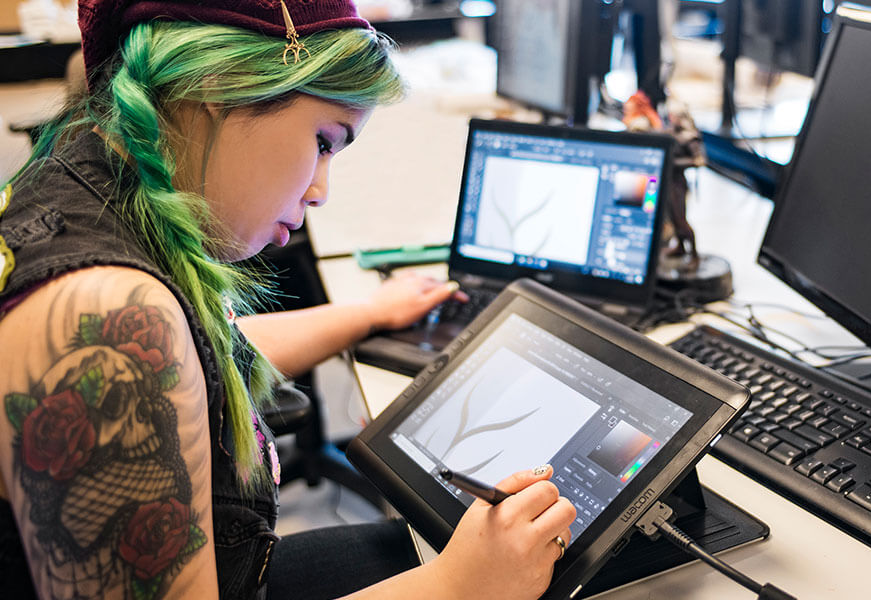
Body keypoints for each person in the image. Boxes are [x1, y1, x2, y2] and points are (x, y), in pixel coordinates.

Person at [0, 1, 576, 599]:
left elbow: (198, 358)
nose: (321, 191)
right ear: (219, 86)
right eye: (325, 141)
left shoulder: (90, 182)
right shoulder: (102, 316)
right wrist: (463, 588)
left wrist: (369, 313)